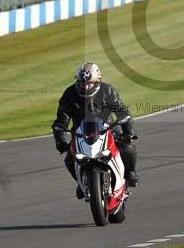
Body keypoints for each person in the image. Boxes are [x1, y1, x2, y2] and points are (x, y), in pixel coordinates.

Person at [52, 63, 138, 198]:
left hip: (108, 130)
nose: (85, 87)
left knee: (128, 148)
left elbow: (122, 111)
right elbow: (61, 121)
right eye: (82, 83)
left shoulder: (107, 90)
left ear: (97, 81)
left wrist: (129, 132)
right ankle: (82, 182)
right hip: (81, 134)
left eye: (89, 84)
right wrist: (61, 141)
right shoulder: (69, 94)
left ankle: (130, 172)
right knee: (69, 159)